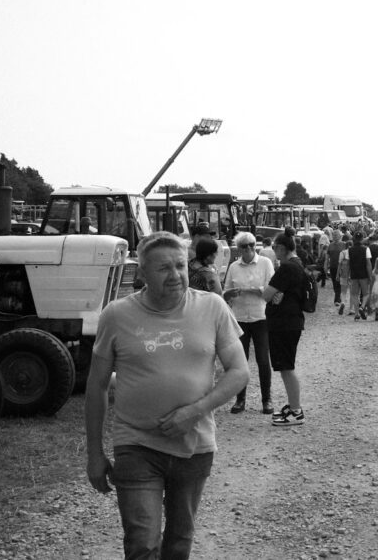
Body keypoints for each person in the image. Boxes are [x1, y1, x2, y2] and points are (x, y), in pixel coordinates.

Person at [85, 232, 249, 560]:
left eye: (180, 265)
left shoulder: (212, 307)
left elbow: (239, 372)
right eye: (163, 269)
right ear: (142, 274)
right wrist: (94, 454)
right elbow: (97, 385)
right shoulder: (116, 315)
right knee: (142, 542)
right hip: (136, 444)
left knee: (178, 542)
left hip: (195, 446)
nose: (175, 275)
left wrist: (195, 411)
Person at [223, 231, 275, 415]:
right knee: (240, 361)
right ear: (239, 248)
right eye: (244, 246)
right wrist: (230, 293)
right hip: (239, 319)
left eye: (252, 244)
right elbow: (225, 290)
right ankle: (240, 399)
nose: (249, 248)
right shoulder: (234, 267)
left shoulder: (265, 263)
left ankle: (266, 399)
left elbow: (271, 289)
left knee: (262, 360)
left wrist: (251, 290)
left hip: (260, 316)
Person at [262, 233, 308, 426]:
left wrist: (273, 293)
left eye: (274, 248)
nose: (274, 252)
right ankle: (294, 406)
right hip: (291, 321)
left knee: (286, 368)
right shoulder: (297, 264)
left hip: (284, 323)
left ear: (281, 247)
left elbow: (266, 295)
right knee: (286, 367)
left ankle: (296, 411)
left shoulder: (287, 268)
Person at [347, 232, 373, 320]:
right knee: (366, 293)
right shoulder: (366, 249)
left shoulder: (349, 249)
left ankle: (356, 313)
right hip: (364, 274)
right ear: (362, 239)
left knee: (354, 294)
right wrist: (370, 276)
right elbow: (368, 264)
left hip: (354, 274)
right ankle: (362, 307)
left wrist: (347, 275)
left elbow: (347, 264)